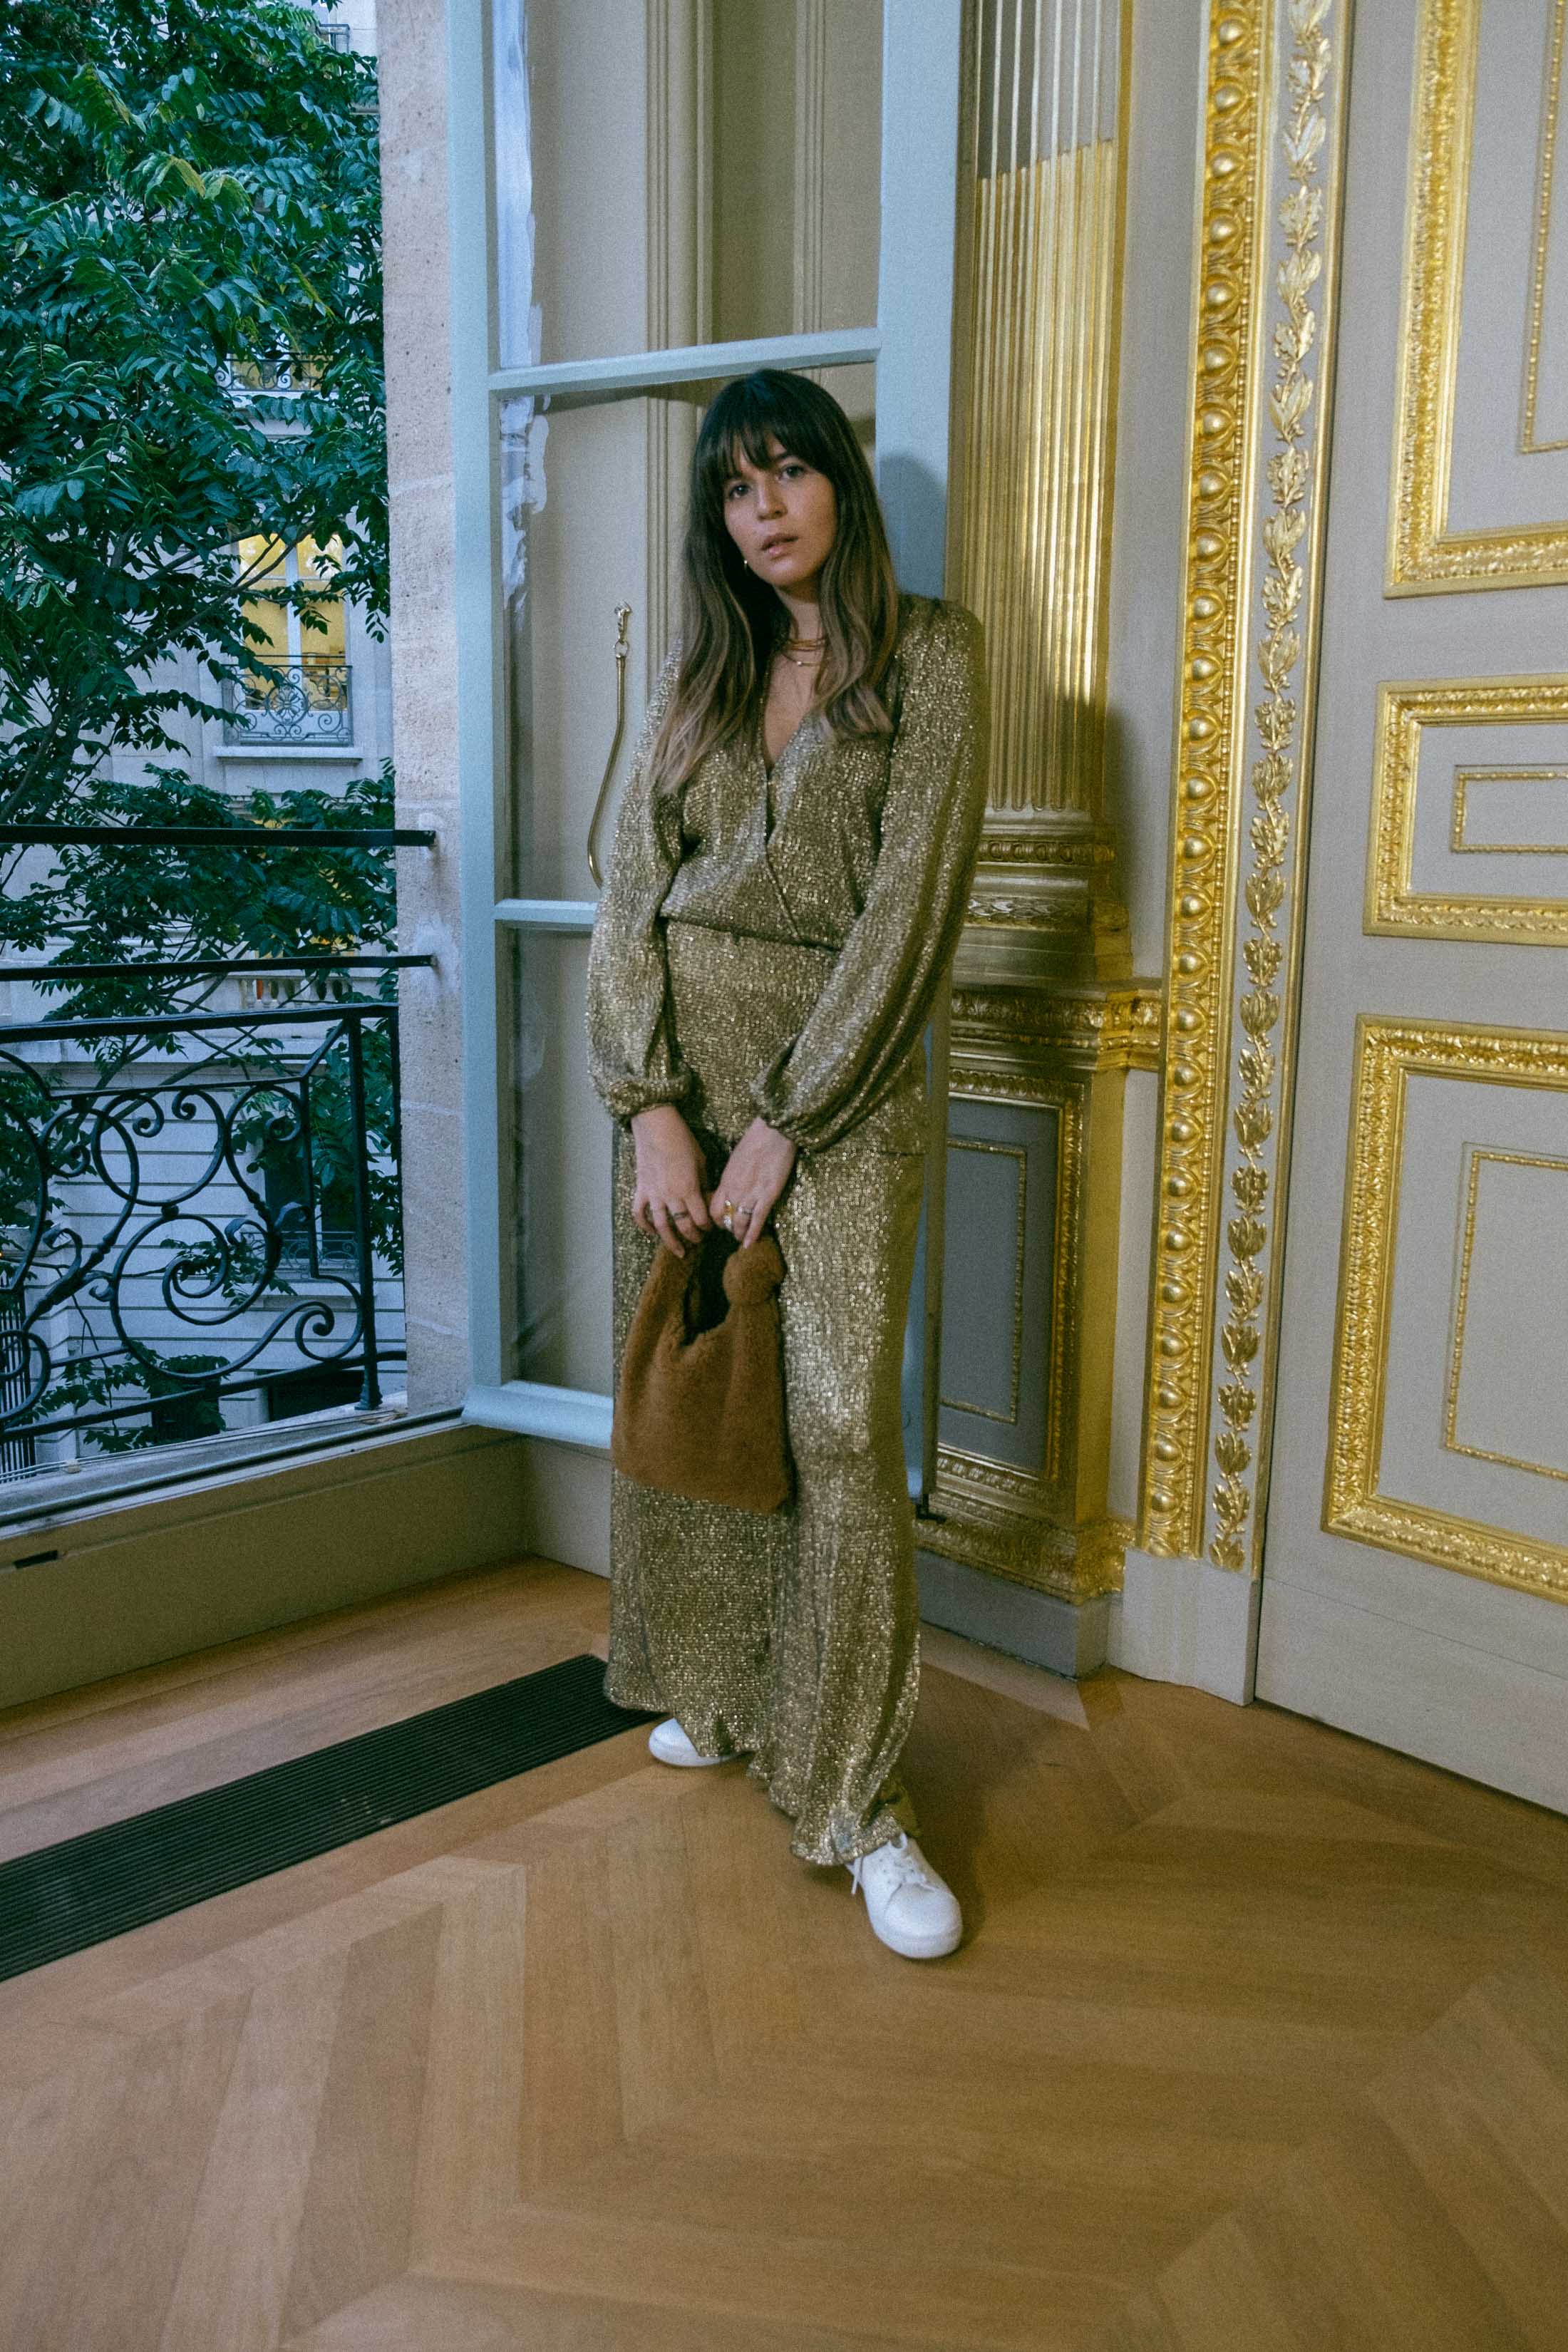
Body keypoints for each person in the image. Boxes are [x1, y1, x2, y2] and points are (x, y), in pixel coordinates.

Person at [586, 368, 987, 1960]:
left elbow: (906, 922)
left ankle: (860, 1800)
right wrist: (648, 1104)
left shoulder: (932, 658)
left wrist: (785, 1120)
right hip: (687, 1091)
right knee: (714, 1407)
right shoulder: (700, 672)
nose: (761, 512)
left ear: (836, 484)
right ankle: (732, 1692)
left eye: (785, 475)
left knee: (828, 1418)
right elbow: (632, 893)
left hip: (844, 1091)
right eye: (732, 491)